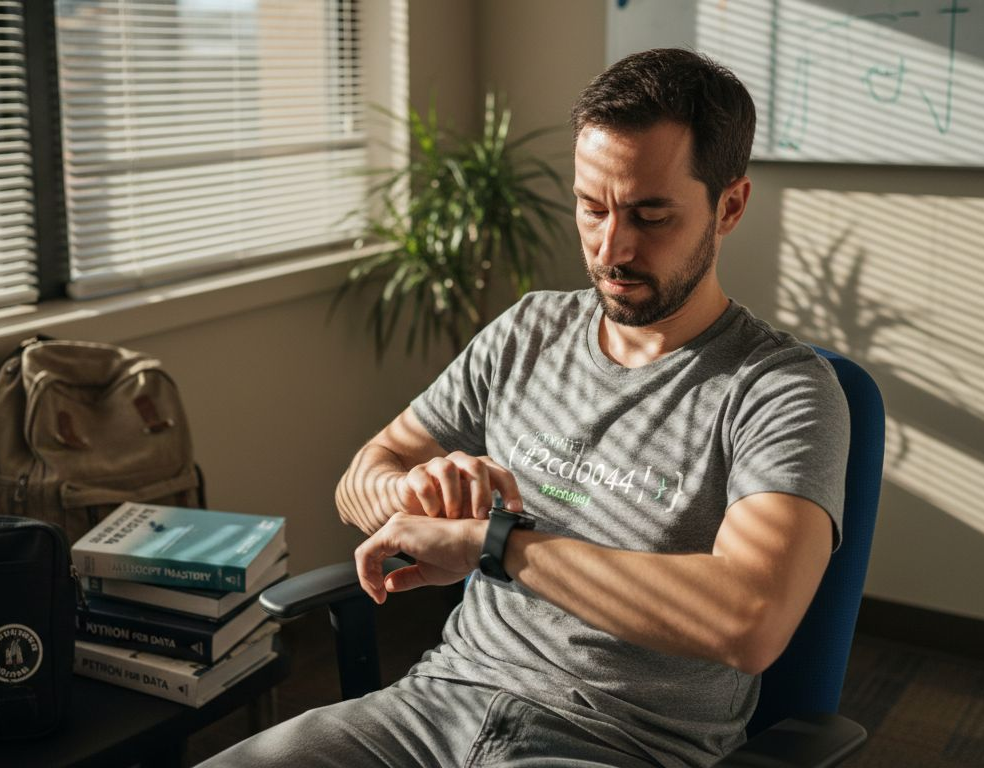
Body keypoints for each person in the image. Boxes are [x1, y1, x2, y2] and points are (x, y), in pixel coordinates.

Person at [200, 48, 849, 768]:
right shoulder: (529, 331)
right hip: (433, 706)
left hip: (617, 742)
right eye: (592, 207)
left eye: (650, 215)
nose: (611, 247)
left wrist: (494, 545)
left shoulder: (780, 390)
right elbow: (362, 476)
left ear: (729, 206)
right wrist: (410, 495)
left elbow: (747, 619)